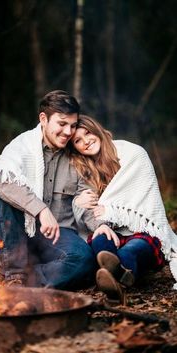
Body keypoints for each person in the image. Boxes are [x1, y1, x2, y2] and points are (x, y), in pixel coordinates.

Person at [0, 91, 103, 290]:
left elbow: (87, 201)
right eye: (62, 124)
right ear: (43, 119)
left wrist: (100, 226)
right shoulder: (22, 146)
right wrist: (40, 210)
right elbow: (0, 181)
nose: (68, 132)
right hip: (20, 234)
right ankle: (14, 274)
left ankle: (27, 279)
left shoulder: (77, 157)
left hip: (58, 235)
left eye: (73, 126)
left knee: (84, 261)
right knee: (6, 195)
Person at [68, 115, 177, 304]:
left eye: (88, 133)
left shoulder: (132, 154)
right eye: (78, 140)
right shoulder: (83, 169)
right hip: (112, 230)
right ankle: (121, 278)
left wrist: (108, 208)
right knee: (101, 240)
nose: (86, 141)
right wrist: (79, 202)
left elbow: (143, 199)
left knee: (134, 249)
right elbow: (85, 211)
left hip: (143, 231)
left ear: (97, 130)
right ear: (74, 147)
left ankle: (113, 274)